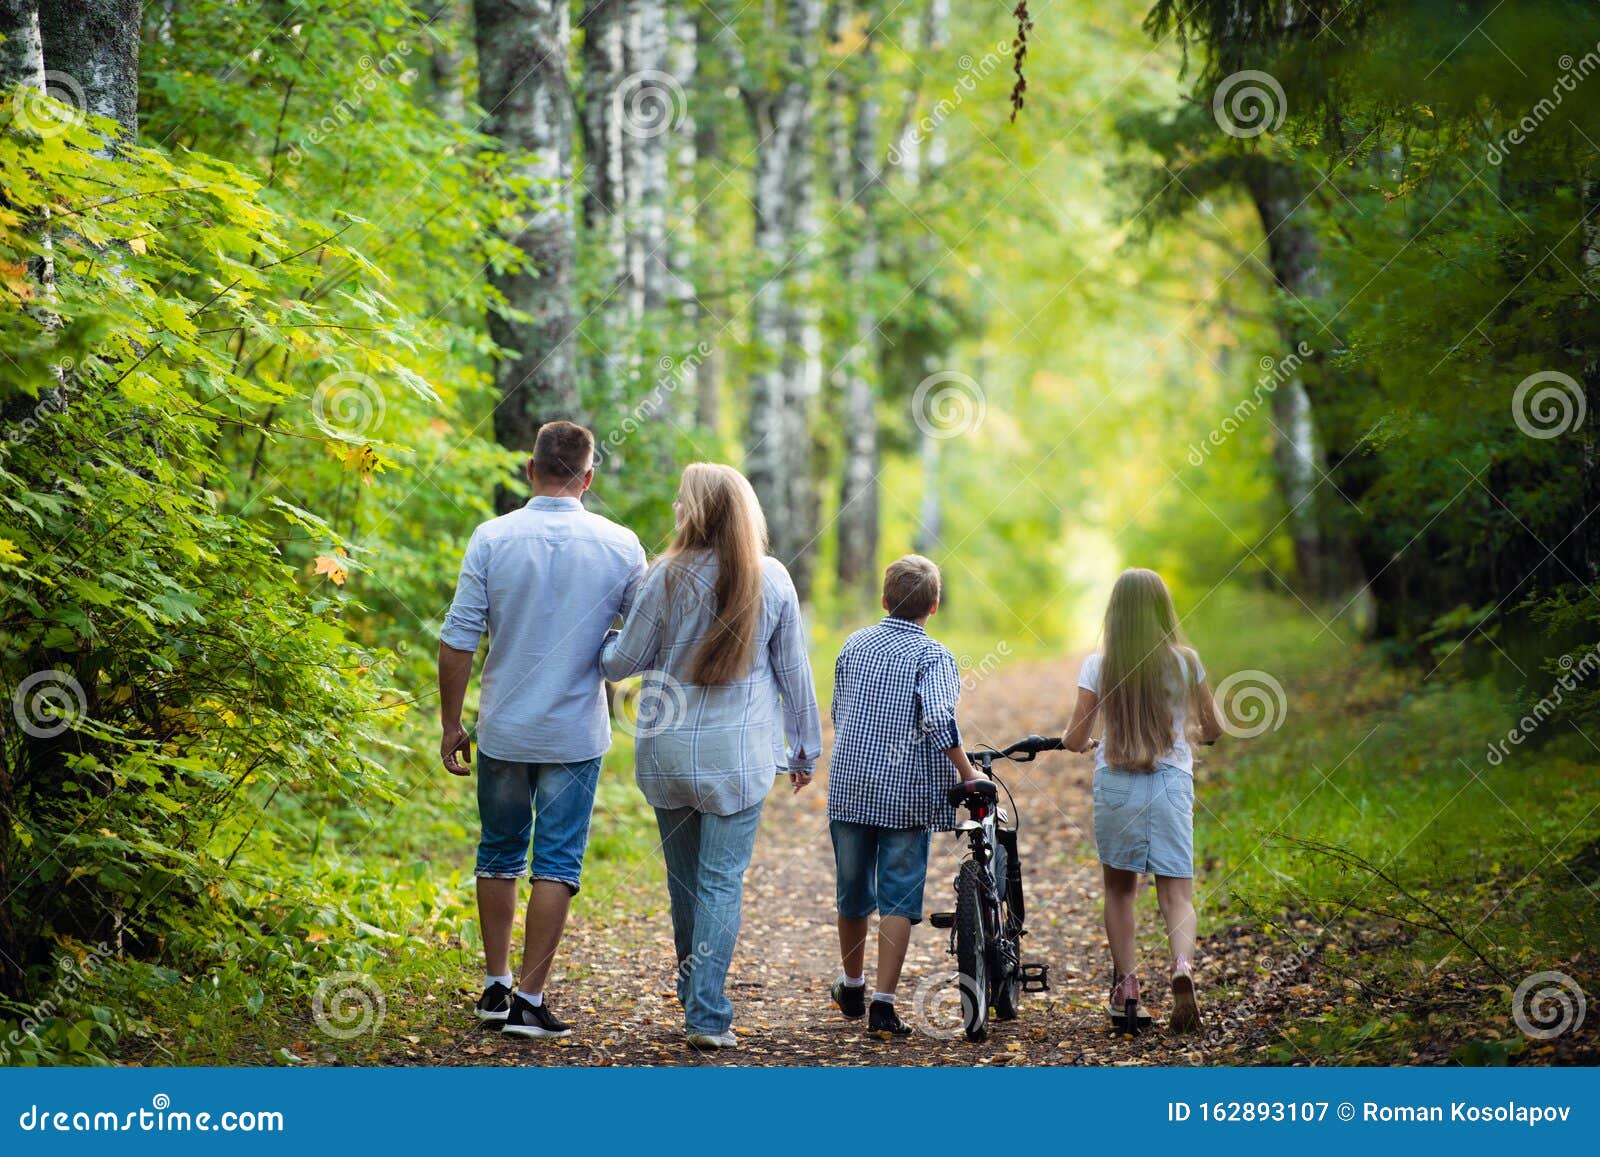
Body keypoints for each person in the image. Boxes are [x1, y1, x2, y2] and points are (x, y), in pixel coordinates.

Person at [600, 463, 822, 1050]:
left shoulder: (664, 576)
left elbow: (622, 665)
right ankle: (705, 1013)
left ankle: (694, 996)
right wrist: (805, 748)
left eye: (681, 501)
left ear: (697, 511)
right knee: (721, 881)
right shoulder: (770, 578)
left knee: (685, 884)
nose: (675, 509)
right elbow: (794, 673)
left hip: (668, 751)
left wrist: (601, 643)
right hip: (739, 756)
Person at [437, 421, 646, 1040]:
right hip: (574, 734)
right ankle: (531, 998)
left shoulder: (493, 538)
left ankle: (495, 983)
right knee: (557, 863)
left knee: (498, 852)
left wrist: (453, 724)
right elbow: (636, 646)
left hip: (503, 728)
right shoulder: (621, 545)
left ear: (530, 470)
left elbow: (458, 641)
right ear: (588, 477)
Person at [825, 554, 982, 1038]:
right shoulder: (934, 656)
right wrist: (966, 770)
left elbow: (839, 708)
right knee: (898, 895)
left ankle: (852, 983)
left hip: (851, 785)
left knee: (853, 891)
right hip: (907, 793)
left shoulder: (854, 644)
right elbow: (937, 716)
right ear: (933, 606)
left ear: (884, 599)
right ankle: (883, 1005)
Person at [1061, 567, 1223, 1033]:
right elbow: (1212, 729)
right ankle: (1182, 967)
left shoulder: (1098, 666)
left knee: (1120, 889)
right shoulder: (1187, 662)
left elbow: (1075, 738)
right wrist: (1193, 734)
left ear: (1116, 614)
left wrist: (1082, 743)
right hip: (1171, 782)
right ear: (1161, 610)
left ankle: (1128, 988)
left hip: (1117, 781)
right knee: (1176, 891)